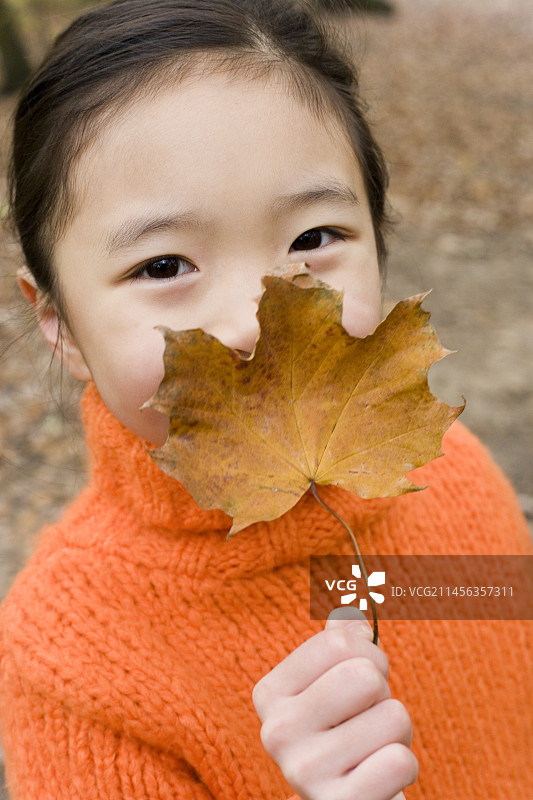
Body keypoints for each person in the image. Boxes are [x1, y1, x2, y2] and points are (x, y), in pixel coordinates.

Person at [0, 1, 531, 798]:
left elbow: (474, 621)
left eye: (312, 240)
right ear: (62, 324)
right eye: (164, 265)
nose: (255, 320)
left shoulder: (444, 469)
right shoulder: (68, 657)